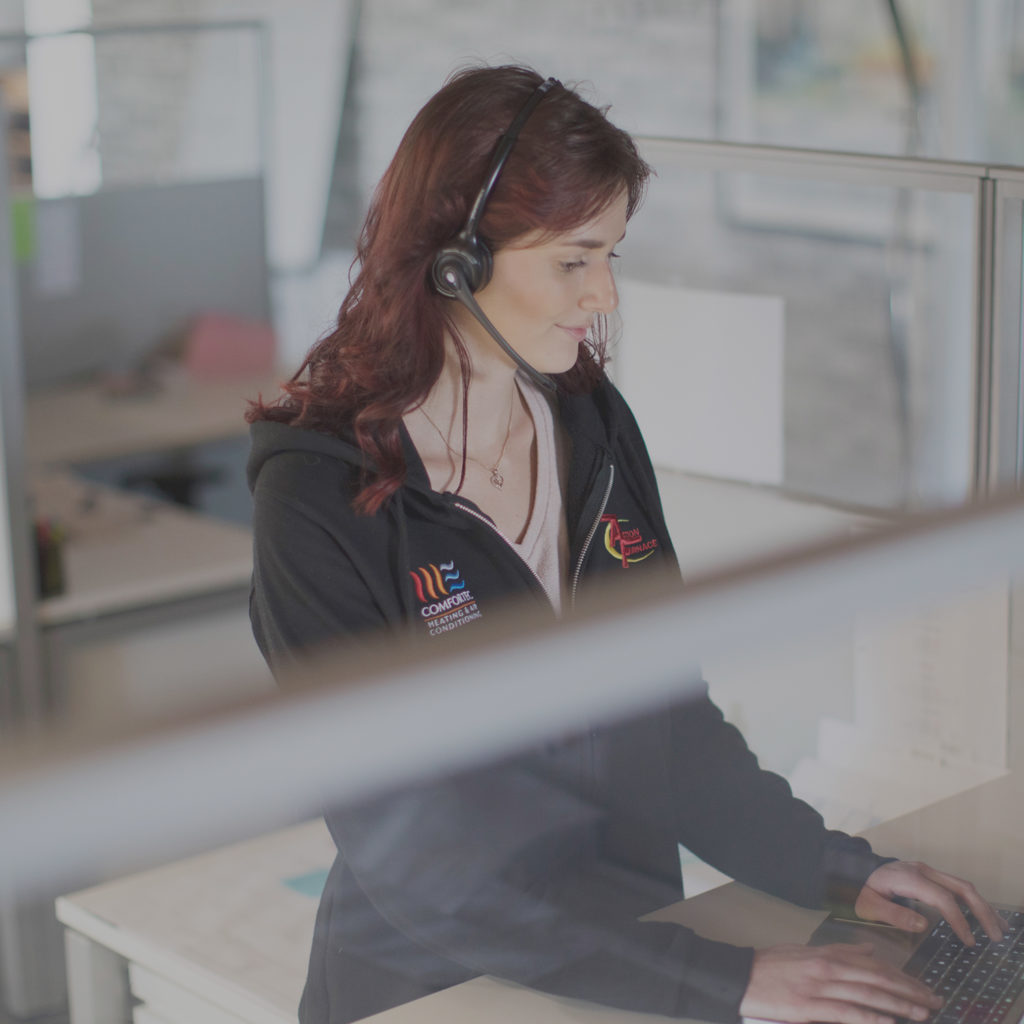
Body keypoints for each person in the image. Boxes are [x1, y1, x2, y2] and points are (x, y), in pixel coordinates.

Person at [247, 65, 1002, 1024]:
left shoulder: (587, 420)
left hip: (633, 952)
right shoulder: (321, 497)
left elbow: (668, 717)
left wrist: (828, 866)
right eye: (575, 258)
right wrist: (724, 979)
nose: (603, 296)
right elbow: (417, 858)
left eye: (613, 255)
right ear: (456, 259)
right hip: (445, 986)